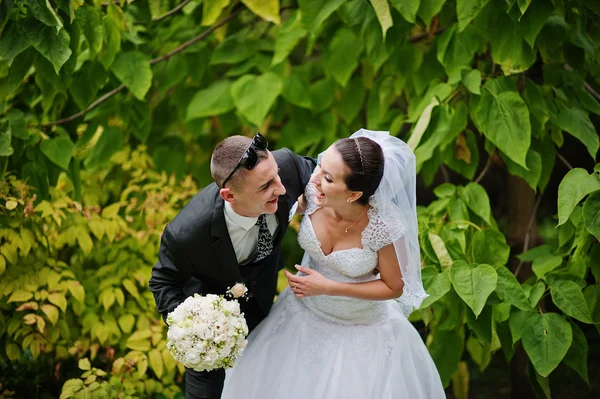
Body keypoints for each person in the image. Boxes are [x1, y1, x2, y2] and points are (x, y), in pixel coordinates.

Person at [221, 129, 445, 399]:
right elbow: (276, 208)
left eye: (327, 177)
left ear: (352, 194)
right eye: (321, 166)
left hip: (360, 334)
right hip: (299, 319)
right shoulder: (315, 195)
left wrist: (329, 286)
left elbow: (394, 287)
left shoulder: (385, 227)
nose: (314, 178)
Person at [149, 133, 316, 399]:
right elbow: (163, 281)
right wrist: (194, 326)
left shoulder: (287, 168)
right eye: (265, 186)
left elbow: (340, 176)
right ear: (229, 195)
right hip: (211, 323)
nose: (282, 189)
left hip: (268, 302)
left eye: (277, 177)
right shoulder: (187, 234)